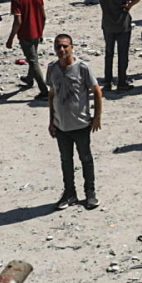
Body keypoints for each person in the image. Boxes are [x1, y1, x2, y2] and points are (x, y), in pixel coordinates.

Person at [43, 32, 101, 209]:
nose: (61, 49)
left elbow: (97, 91)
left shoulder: (82, 68)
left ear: (72, 47)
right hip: (61, 126)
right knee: (66, 161)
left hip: (81, 124)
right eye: (58, 46)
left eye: (65, 46)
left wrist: (97, 116)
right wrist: (51, 120)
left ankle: (90, 193)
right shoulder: (52, 68)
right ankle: (69, 194)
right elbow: (51, 94)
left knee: (85, 159)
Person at [96, 0, 140, 92]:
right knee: (122, 53)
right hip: (121, 22)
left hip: (107, 22)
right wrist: (129, 6)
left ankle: (108, 81)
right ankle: (122, 82)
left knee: (109, 53)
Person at [10, 0, 47, 93]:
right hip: (37, 31)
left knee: (33, 61)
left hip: (26, 34)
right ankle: (29, 79)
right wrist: (41, 30)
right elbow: (43, 16)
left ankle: (44, 90)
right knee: (33, 57)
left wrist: (10, 38)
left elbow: (18, 21)